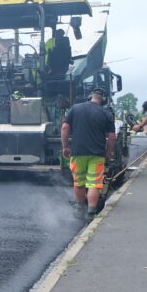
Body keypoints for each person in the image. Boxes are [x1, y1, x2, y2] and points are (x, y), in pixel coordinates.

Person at [61, 87, 116, 220]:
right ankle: (91, 212)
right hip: (97, 153)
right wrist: (108, 152)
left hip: (78, 152)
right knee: (94, 183)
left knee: (79, 182)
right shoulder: (106, 113)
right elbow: (112, 136)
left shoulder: (75, 108)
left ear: (90, 97)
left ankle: (79, 209)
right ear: (102, 100)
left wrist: (65, 147)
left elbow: (65, 127)